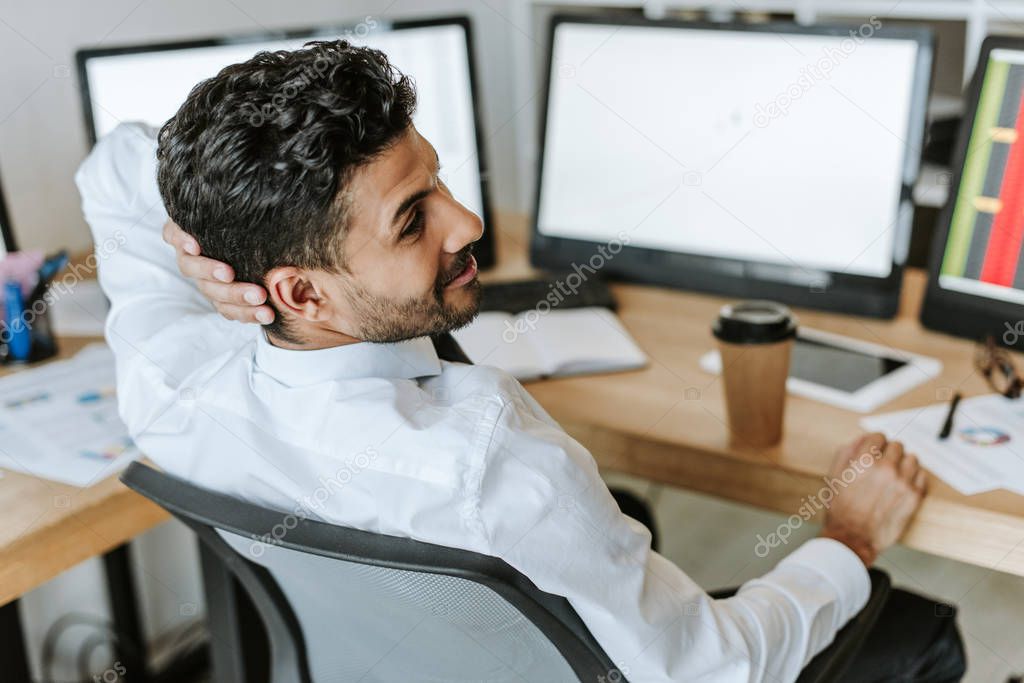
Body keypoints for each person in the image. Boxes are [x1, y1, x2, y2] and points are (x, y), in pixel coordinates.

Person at [76, 40, 965, 682]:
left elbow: (112, 168)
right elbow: (708, 669)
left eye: (437, 182)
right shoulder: (491, 459)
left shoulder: (171, 382)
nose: (466, 225)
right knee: (918, 625)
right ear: (303, 293)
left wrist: (189, 241)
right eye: (412, 219)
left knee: (625, 513)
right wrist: (847, 537)